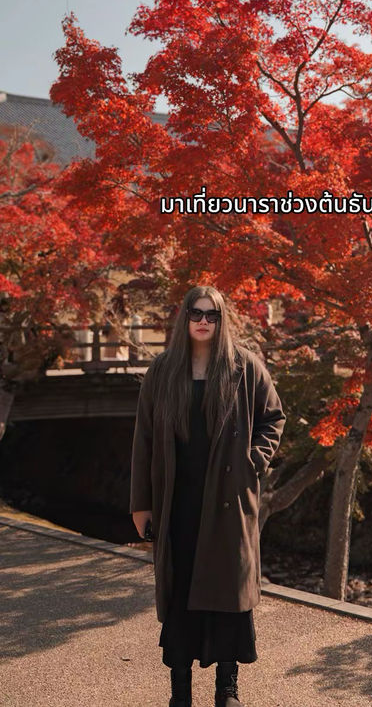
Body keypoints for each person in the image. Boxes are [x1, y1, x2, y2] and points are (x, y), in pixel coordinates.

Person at [130, 285, 286, 707]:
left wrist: (255, 459)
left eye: (211, 314)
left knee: (227, 593)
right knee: (180, 593)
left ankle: (226, 688)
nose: (203, 320)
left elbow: (274, 417)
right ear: (184, 318)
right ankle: (180, 690)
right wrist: (141, 504)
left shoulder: (244, 367)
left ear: (221, 320)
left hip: (229, 500)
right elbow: (143, 439)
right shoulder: (163, 371)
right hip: (176, 500)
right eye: (196, 313)